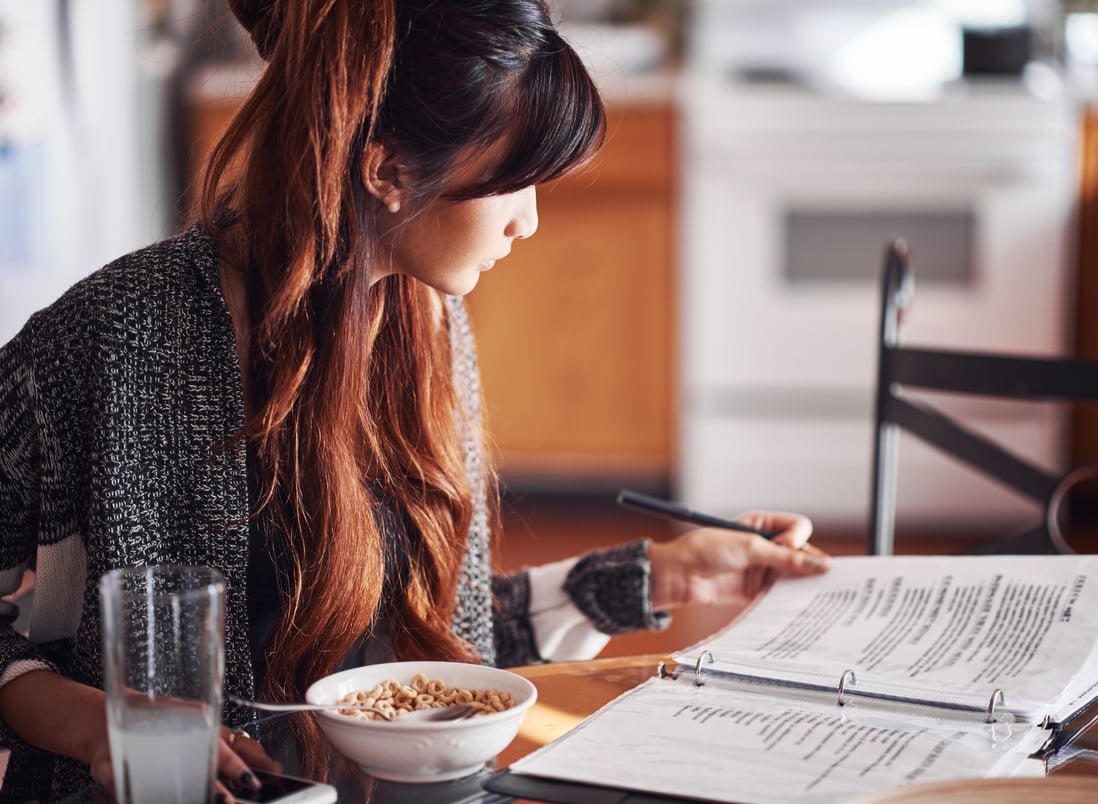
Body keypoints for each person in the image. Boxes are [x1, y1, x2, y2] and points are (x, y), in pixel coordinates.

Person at [0, 1, 829, 800]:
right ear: (388, 169)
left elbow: (411, 658)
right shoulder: (102, 341)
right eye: (513, 183)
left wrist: (661, 576)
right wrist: (96, 727)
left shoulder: (426, 324)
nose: (529, 224)